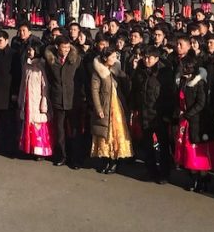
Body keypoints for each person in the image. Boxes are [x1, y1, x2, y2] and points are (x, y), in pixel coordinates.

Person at [174, 59, 214, 193]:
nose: (182, 70)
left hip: (198, 121)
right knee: (188, 150)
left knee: (198, 150)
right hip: (185, 120)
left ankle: (203, 179)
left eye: (185, 67)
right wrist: (179, 111)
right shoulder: (182, 81)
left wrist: (187, 114)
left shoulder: (200, 83)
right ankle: (193, 177)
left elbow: (201, 103)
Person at [131, 46, 175, 184]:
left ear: (156, 58)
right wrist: (134, 108)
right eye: (144, 57)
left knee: (163, 146)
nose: (146, 60)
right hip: (144, 113)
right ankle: (151, 171)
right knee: (147, 145)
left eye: (149, 57)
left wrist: (168, 114)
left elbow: (169, 94)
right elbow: (134, 91)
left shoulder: (165, 72)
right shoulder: (140, 71)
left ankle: (164, 173)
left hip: (159, 115)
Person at [90, 47, 132, 174]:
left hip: (118, 106)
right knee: (105, 135)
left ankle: (114, 161)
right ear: (105, 58)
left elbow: (127, 86)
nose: (115, 59)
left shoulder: (116, 70)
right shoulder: (98, 71)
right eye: (112, 57)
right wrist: (98, 108)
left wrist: (124, 77)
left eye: (115, 57)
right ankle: (106, 160)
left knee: (116, 133)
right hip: (105, 105)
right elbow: (94, 91)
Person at [44, 35, 81, 167]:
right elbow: (48, 79)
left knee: (74, 130)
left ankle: (75, 158)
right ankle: (61, 156)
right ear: (57, 47)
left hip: (73, 99)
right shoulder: (51, 60)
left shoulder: (76, 59)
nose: (65, 50)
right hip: (57, 99)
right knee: (60, 131)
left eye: (67, 47)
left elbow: (80, 79)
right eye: (63, 47)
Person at [0, 30, 20, 156]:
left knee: (9, 121)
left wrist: (15, 93)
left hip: (8, 94)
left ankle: (11, 147)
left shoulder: (13, 55)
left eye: (1, 40)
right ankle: (0, 145)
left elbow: (17, 75)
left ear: (7, 41)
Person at [19, 40, 53, 159]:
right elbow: (22, 84)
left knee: (39, 126)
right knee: (28, 124)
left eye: (31, 50)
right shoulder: (26, 65)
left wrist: (44, 102)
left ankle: (40, 150)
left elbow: (45, 86)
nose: (29, 52)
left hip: (37, 101)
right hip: (27, 100)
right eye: (28, 50)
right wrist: (21, 99)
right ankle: (29, 148)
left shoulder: (41, 66)